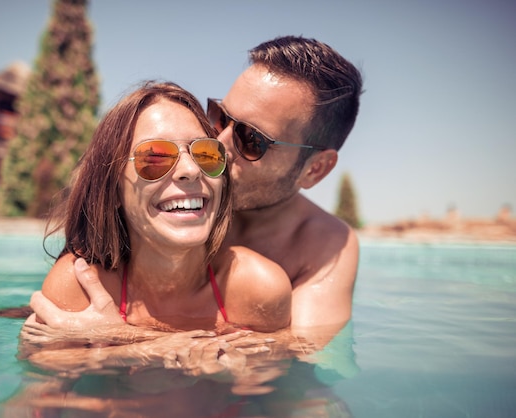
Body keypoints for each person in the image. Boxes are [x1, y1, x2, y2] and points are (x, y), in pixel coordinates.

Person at [28, 35, 363, 344]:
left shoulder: (323, 245)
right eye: (219, 117)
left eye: (252, 139)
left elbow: (297, 357)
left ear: (314, 169)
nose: (219, 143)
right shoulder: (94, 267)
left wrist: (122, 338)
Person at [29, 81, 291, 335]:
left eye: (206, 154)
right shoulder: (82, 285)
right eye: (155, 157)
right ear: (113, 188)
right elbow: (46, 378)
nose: (190, 170)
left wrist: (119, 341)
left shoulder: (258, 288)